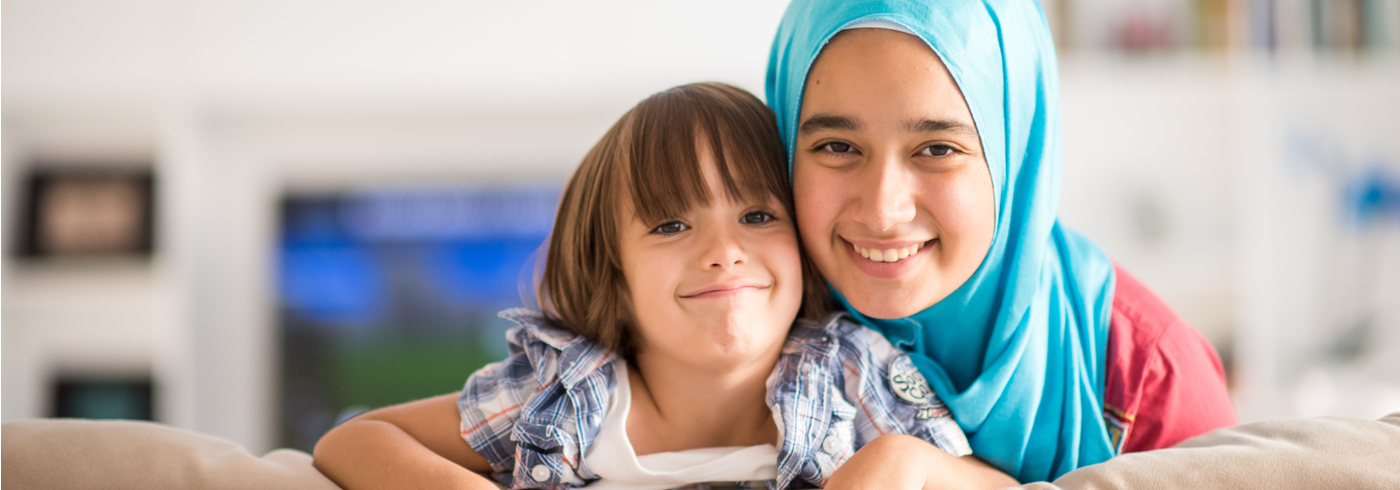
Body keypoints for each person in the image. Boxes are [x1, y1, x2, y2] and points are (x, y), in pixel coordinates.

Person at [312, 82, 1010, 490]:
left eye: (759, 216)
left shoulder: (848, 372)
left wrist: (899, 464)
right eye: (672, 225)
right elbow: (352, 441)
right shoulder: (565, 395)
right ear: (612, 268)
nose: (722, 253)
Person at [765, 0, 1239, 483]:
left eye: (937, 149)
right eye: (837, 147)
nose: (883, 212)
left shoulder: (1148, 376)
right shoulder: (738, 326)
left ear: (1016, 154)